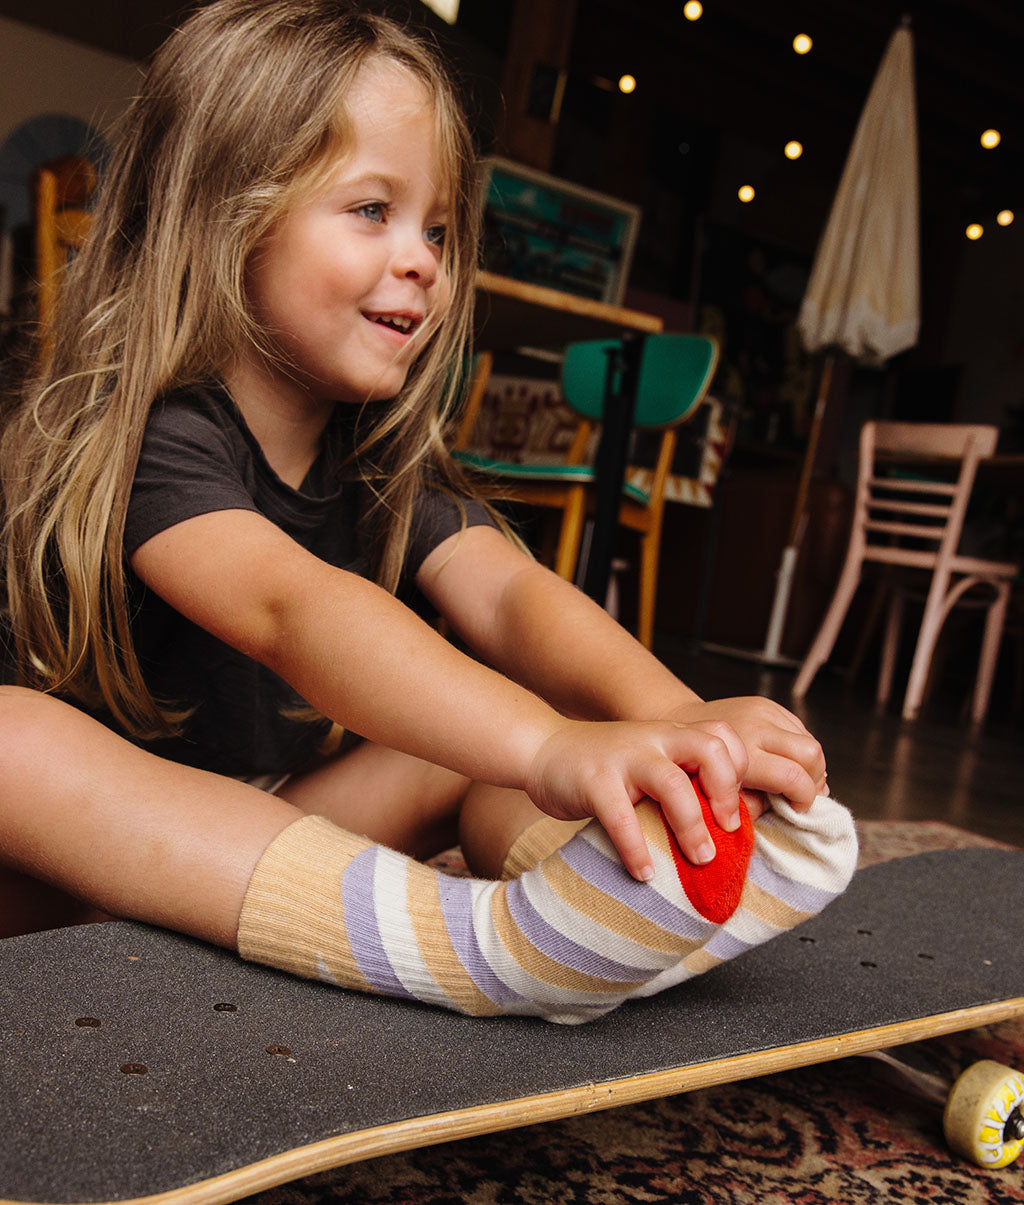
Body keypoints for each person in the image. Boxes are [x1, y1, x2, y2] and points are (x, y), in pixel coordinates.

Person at [0, 0, 856, 1022]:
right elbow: (291, 607)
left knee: (475, 735)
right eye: (372, 210)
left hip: (266, 840)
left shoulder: (383, 457)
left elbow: (510, 596)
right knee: (12, 736)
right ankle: (477, 945)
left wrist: (670, 721)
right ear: (225, 212)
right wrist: (543, 744)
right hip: (66, 870)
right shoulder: (154, 435)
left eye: (439, 229)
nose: (424, 260)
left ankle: (615, 906)